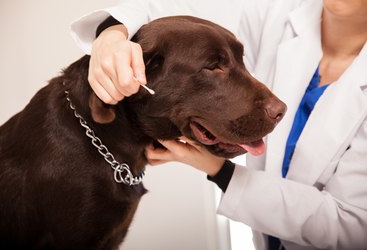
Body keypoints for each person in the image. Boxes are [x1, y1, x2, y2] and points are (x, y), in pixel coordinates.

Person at [70, 0, 367, 249]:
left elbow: (350, 226)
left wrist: (219, 169)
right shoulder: (278, 12)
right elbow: (167, 12)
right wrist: (112, 35)